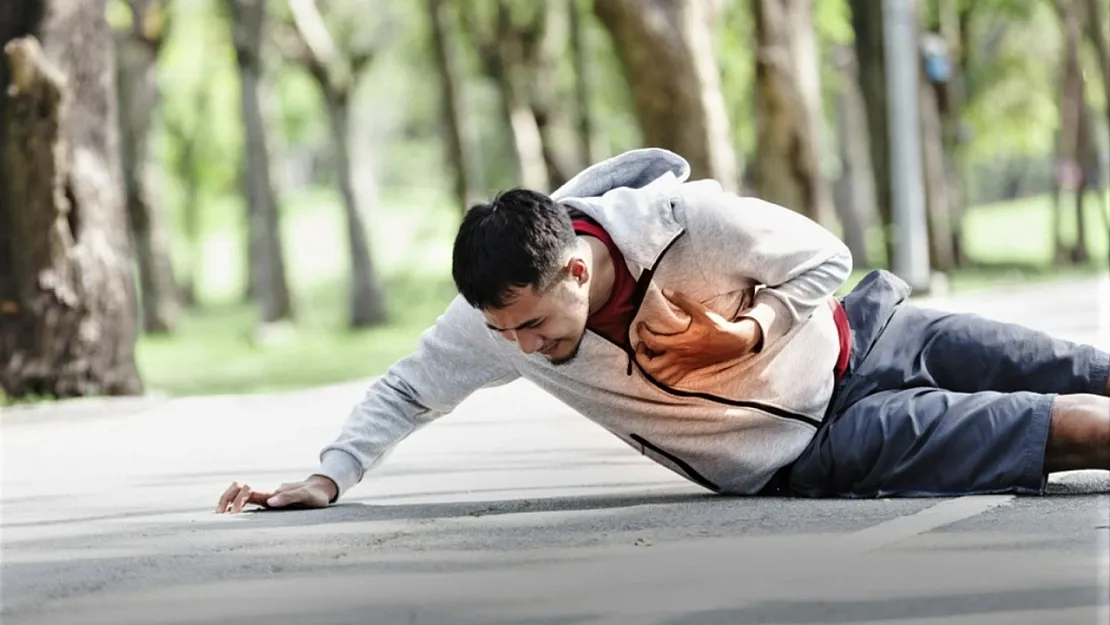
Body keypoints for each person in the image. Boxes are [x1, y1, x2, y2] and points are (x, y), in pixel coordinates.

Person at [216, 148, 1110, 514]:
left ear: (574, 267)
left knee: (1079, 364)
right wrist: (328, 477)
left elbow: (824, 257)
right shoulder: (495, 322)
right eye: (501, 332)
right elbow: (406, 388)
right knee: (1071, 426)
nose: (518, 347)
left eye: (529, 324)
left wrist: (750, 332)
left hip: (867, 332)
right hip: (815, 445)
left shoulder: (687, 221)